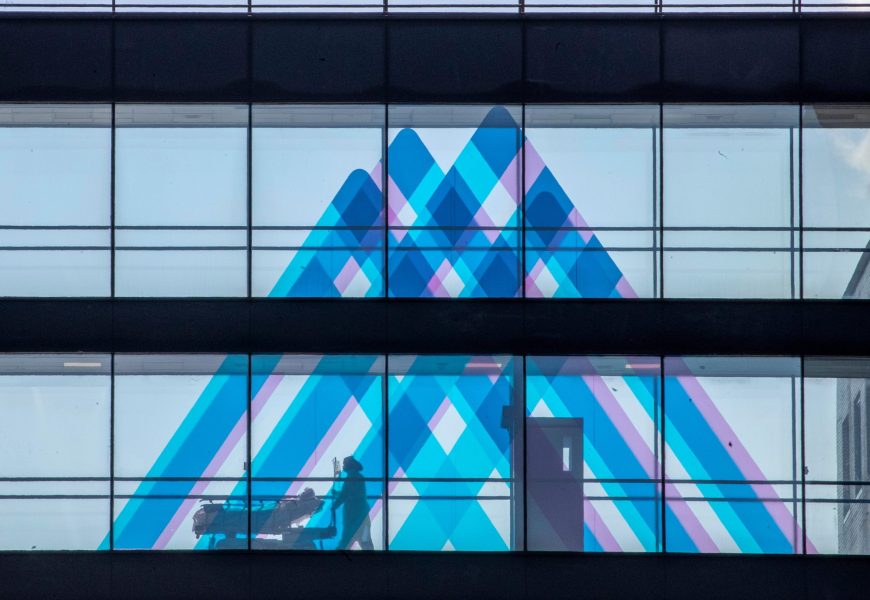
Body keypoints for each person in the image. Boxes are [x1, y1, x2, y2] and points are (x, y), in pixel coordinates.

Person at [332, 456, 374, 550]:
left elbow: (345, 494)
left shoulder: (351, 477)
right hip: (362, 514)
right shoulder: (358, 476)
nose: (343, 466)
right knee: (366, 542)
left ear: (349, 465)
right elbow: (351, 493)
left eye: (344, 464)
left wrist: (334, 506)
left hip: (353, 515)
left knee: (346, 540)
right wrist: (338, 494)